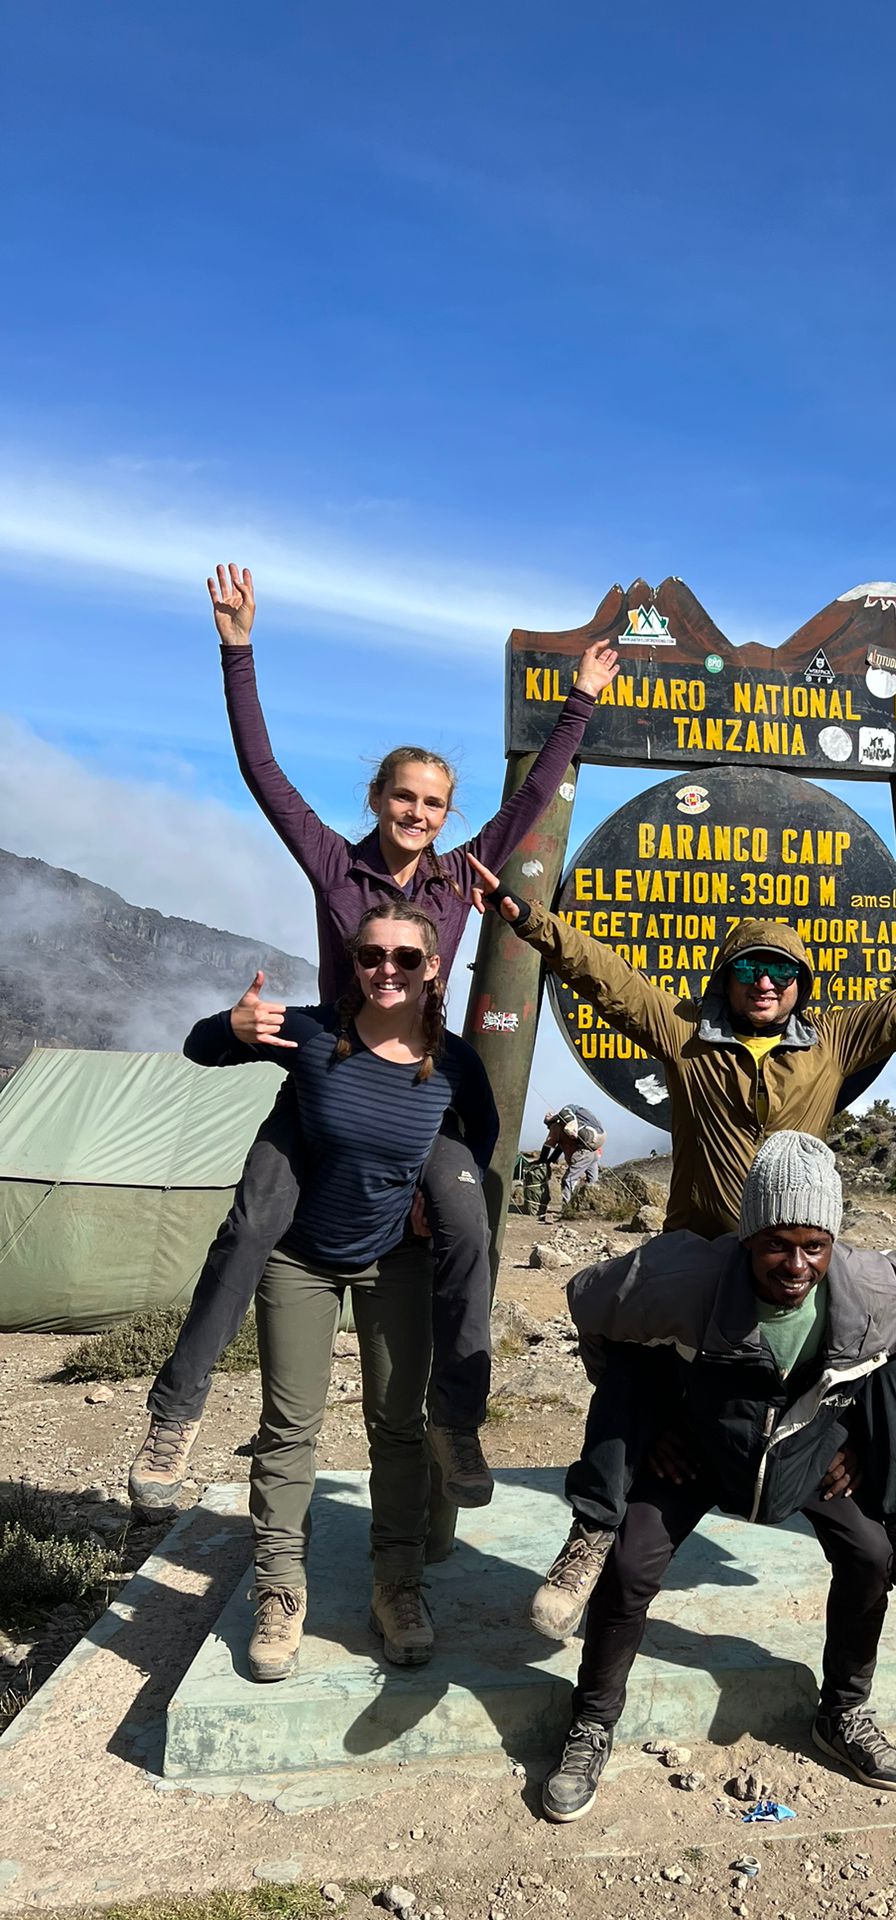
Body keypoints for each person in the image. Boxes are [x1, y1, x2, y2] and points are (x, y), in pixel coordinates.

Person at [468, 851, 896, 1611]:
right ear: (726, 974)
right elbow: (605, 975)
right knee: (626, 1334)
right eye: (751, 966)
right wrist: (527, 917)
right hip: (705, 1257)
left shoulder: (835, 1041)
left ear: (801, 986)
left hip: (804, 1257)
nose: (766, 981)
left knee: (891, 1323)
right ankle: (589, 1538)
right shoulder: (685, 1035)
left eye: (782, 971)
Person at [128, 565, 610, 1520]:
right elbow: (262, 773)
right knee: (252, 1224)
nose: (419, 814)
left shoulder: (462, 876)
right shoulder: (333, 861)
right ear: (380, 798)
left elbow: (539, 796)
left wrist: (580, 707)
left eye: (434, 803)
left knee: (469, 1223)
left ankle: (458, 1418)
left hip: (421, 1078)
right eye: (405, 798)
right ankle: (174, 1417)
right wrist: (238, 650)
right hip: (331, 1066)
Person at [541, 1133, 896, 1822]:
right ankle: (590, 1725)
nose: (796, 1265)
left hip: (808, 1455)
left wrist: (857, 1445)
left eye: (813, 1246)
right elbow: (593, 1306)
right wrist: (653, 1428)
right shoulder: (684, 1283)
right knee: (632, 1561)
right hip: (699, 1449)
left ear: (833, 1243)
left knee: (870, 1553)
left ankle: (844, 1713)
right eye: (777, 1245)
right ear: (747, 1239)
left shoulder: (869, 1290)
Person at [183, 904, 499, 1682]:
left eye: (406, 959)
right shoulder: (318, 1032)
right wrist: (231, 1022)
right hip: (300, 1258)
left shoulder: (455, 1062)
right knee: (289, 1427)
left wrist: (436, 1195)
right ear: (352, 961)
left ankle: (397, 1584)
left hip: (398, 1261)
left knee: (396, 1428)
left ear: (433, 969)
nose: (386, 971)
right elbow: (203, 1048)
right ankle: (280, 1590)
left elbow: (480, 1137)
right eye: (370, 956)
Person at [538, 1106, 606, 1219]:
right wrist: (551, 1160)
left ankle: (567, 1209)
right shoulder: (566, 1127)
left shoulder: (555, 1127)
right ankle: (596, 1208)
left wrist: (542, 1160)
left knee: (568, 1180)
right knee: (593, 1182)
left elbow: (548, 1145)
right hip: (593, 1153)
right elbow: (559, 1147)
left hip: (584, 1154)